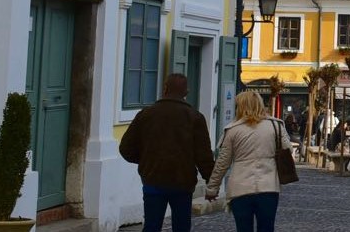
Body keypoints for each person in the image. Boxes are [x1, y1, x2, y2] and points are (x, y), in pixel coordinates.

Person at [119, 73, 215, 232]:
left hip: (153, 179)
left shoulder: (146, 114)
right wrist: (212, 182)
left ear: (165, 89)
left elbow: (125, 148)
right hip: (182, 181)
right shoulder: (195, 117)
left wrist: (145, 160)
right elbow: (203, 155)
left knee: (151, 226)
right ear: (186, 92)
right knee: (181, 226)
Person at [205, 91, 291, 232]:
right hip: (268, 186)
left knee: (243, 228)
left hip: (240, 188)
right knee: (267, 227)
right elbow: (288, 149)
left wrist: (212, 188)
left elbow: (222, 163)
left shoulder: (233, 130)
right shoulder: (275, 126)